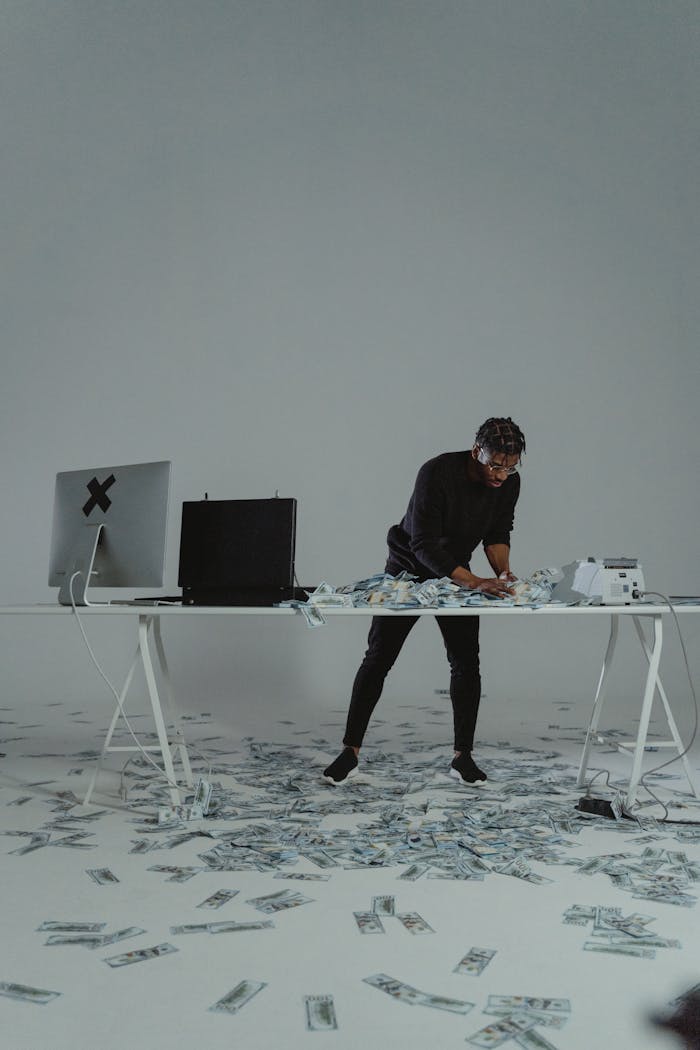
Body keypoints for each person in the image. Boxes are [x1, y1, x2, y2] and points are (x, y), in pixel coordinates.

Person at [323, 417, 526, 786]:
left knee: (466, 663)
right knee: (378, 658)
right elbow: (423, 545)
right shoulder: (437, 472)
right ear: (476, 452)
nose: (501, 475)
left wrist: (503, 573)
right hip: (408, 570)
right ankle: (349, 751)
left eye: (510, 467)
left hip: (458, 573)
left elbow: (498, 533)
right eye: (495, 465)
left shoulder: (508, 482)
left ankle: (463, 757)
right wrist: (474, 582)